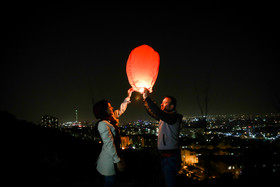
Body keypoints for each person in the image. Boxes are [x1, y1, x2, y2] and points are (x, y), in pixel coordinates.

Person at [142, 88, 183, 187]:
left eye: (165, 103)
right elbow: (152, 112)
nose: (162, 104)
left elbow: (158, 112)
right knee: (165, 181)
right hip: (165, 155)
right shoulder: (165, 117)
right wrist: (144, 99)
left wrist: (147, 98)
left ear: (172, 106)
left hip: (170, 156)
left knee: (170, 182)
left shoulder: (173, 117)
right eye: (162, 102)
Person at [93, 88, 133, 187]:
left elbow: (121, 110)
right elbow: (109, 143)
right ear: (104, 110)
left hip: (115, 154)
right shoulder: (103, 124)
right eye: (110, 107)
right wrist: (117, 160)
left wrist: (128, 96)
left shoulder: (111, 119)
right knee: (110, 181)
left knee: (112, 180)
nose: (112, 108)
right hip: (109, 158)